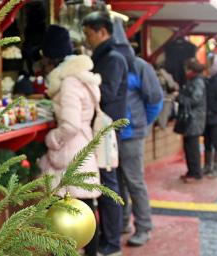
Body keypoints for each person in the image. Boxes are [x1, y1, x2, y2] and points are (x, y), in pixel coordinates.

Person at [37, 25, 102, 256]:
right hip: (83, 146)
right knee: (86, 209)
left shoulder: (68, 83)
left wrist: (51, 138)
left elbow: (71, 125)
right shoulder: (81, 77)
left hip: (71, 150)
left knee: (64, 212)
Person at [111, 18, 164, 246]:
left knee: (134, 182)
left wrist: (140, 124)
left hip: (133, 135)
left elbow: (155, 100)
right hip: (113, 135)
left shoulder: (141, 67)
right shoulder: (109, 64)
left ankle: (144, 227)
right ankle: (123, 222)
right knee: (117, 182)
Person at [82, 11, 128, 256]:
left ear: (103, 32)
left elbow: (107, 94)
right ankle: (111, 236)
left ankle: (111, 243)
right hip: (105, 129)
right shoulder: (106, 56)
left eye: (89, 34)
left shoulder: (112, 58)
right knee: (111, 183)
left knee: (109, 185)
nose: (87, 39)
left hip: (106, 131)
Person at [175, 58, 206, 183]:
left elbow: (194, 100)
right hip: (191, 119)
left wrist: (179, 97)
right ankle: (191, 171)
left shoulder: (197, 82)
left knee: (192, 147)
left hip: (194, 119)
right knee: (188, 146)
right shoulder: (193, 81)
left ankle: (196, 172)